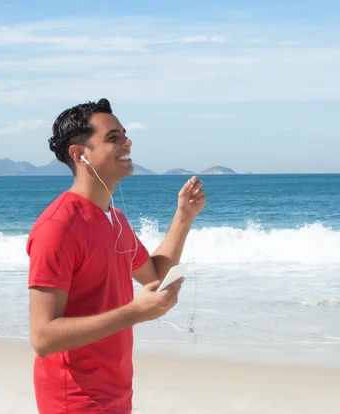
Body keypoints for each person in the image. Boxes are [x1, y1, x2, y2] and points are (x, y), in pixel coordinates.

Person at [26, 98, 206, 413]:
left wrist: (184, 217)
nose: (127, 142)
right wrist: (134, 313)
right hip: (74, 401)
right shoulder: (58, 227)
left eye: (124, 134)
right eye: (113, 138)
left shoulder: (115, 218)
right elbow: (43, 337)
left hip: (116, 393)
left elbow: (153, 274)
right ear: (80, 154)